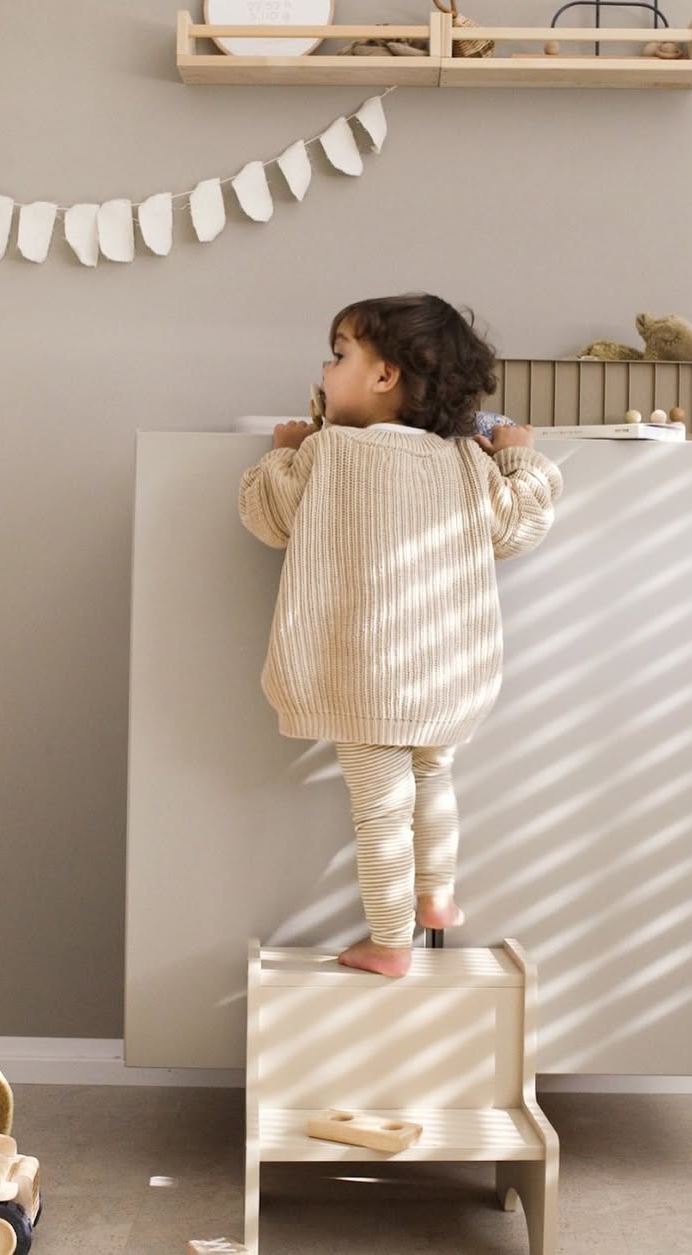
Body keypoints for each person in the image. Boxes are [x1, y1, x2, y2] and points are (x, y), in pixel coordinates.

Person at [238, 293, 563, 976]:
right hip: (447, 667)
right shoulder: (466, 461)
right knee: (435, 771)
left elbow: (268, 517)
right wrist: (521, 458)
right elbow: (517, 525)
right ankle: (437, 895)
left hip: (363, 672)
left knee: (381, 810)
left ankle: (390, 943)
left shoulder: (328, 453)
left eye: (338, 355)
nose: (325, 370)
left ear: (384, 376)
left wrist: (282, 454)